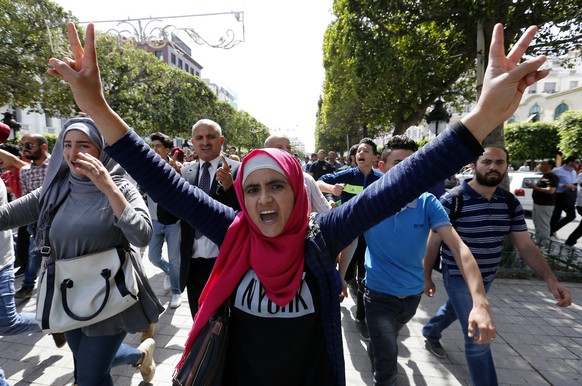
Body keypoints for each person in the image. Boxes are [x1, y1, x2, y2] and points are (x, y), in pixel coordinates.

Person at [50, 21, 549, 385]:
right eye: (252, 189)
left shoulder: (323, 234)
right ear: (241, 198)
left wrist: (481, 117)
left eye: (277, 186)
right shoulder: (233, 230)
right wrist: (95, 107)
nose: (264, 198)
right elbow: (166, 184)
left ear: (296, 187)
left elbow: (402, 182)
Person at [0, 119, 164, 385]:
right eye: (67, 145)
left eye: (83, 145)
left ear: (100, 149)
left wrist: (107, 187)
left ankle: (133, 358)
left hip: (110, 294)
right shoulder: (53, 189)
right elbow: (5, 217)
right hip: (68, 294)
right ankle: (139, 357)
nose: (73, 153)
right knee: (88, 361)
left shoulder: (121, 187)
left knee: (89, 376)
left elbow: (143, 234)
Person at [422, 146, 572, 386]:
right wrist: (427, 275)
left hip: (489, 276)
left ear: (506, 166)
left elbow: (526, 246)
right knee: (478, 338)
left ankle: (430, 331)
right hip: (458, 275)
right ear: (474, 165)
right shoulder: (452, 199)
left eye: (500, 162)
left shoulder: (509, 201)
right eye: (487, 161)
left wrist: (551, 280)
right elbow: (433, 243)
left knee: (455, 309)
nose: (493, 167)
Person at [363, 135, 493, 385]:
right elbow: (348, 240)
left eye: (414, 165)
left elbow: (458, 247)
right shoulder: (368, 200)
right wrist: (341, 277)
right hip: (377, 294)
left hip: (413, 294)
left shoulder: (428, 202)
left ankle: (379, 346)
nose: (408, 172)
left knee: (388, 339)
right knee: (387, 364)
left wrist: (480, 303)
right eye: (399, 163)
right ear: (382, 167)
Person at [179, 119, 242, 319]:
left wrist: (230, 189)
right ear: (192, 142)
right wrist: (165, 184)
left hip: (225, 266)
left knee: (227, 326)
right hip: (194, 268)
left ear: (221, 140)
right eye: (199, 138)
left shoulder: (239, 169)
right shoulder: (184, 172)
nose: (205, 142)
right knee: (198, 324)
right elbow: (167, 217)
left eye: (211, 136)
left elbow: (246, 215)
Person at [146, 131, 183, 308]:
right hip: (154, 220)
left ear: (168, 149)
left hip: (173, 222)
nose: (154, 149)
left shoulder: (177, 167)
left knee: (175, 258)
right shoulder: (146, 167)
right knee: (153, 257)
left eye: (158, 146)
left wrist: (176, 174)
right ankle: (169, 272)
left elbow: (184, 192)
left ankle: (177, 292)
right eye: (152, 146)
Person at [14, 133, 50, 299]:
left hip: (60, 217)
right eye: (21, 146)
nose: (24, 150)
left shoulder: (57, 165)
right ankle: (28, 286)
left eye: (28, 145)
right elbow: (25, 196)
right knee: (34, 252)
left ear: (43, 147)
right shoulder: (24, 171)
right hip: (36, 220)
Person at [264, 134, 332, 213]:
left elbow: (326, 212)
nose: (286, 150)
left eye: (288, 147)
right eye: (279, 147)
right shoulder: (256, 180)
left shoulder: (306, 180)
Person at [525, 159, 558, 241]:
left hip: (545, 205)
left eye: (543, 164)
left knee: (543, 226)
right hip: (538, 203)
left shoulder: (552, 176)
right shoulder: (545, 176)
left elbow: (551, 190)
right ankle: (539, 244)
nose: (540, 165)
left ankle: (544, 246)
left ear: (549, 166)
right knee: (538, 225)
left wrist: (534, 187)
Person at [550, 155, 579, 238]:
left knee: (571, 215)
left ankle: (553, 229)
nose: (579, 164)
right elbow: (551, 182)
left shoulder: (574, 172)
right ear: (570, 162)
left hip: (569, 196)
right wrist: (564, 185)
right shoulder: (557, 170)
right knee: (556, 215)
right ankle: (550, 234)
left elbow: (573, 183)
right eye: (577, 162)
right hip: (559, 195)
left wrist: (574, 186)